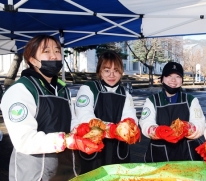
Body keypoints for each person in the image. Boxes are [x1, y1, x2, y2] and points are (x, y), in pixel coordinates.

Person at [0, 35, 101, 181]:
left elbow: (70, 119)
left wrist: (81, 130)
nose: (54, 56)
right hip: (35, 173)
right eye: (46, 51)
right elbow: (24, 140)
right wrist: (66, 141)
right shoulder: (21, 90)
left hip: (67, 169)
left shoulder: (62, 88)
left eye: (57, 51)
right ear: (33, 60)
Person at [75, 50, 140, 174]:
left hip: (118, 151)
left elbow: (130, 115)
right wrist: (110, 129)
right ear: (100, 71)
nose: (112, 75)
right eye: (107, 70)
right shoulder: (89, 88)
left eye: (116, 71)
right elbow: (84, 114)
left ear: (121, 72)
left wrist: (130, 125)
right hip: (94, 150)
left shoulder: (125, 94)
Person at [139, 61, 206, 162]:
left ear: (182, 80)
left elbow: (200, 124)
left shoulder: (191, 100)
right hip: (159, 155)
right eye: (169, 76)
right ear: (162, 79)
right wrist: (158, 131)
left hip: (187, 155)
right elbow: (145, 123)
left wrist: (187, 129)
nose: (173, 80)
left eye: (178, 76)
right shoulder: (152, 101)